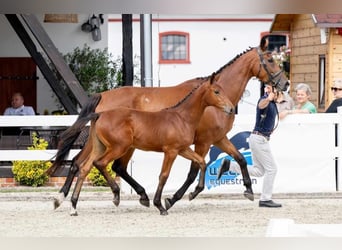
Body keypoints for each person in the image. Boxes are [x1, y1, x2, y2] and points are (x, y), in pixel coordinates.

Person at [217, 83, 282, 208]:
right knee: (272, 169)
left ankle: (229, 165)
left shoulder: (273, 104)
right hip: (259, 139)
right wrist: (269, 98)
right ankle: (265, 199)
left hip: (258, 138)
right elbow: (261, 105)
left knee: (259, 171)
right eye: (267, 88)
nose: (267, 90)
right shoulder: (264, 100)